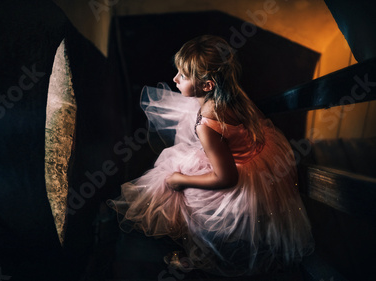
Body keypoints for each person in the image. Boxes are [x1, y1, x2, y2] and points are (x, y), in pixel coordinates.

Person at [107, 35, 314, 277]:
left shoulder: (206, 125)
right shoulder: (234, 95)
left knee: (176, 186)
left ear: (207, 86)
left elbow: (226, 178)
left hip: (237, 179)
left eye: (183, 76)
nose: (174, 78)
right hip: (257, 160)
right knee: (181, 164)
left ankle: (202, 253)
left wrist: (180, 180)